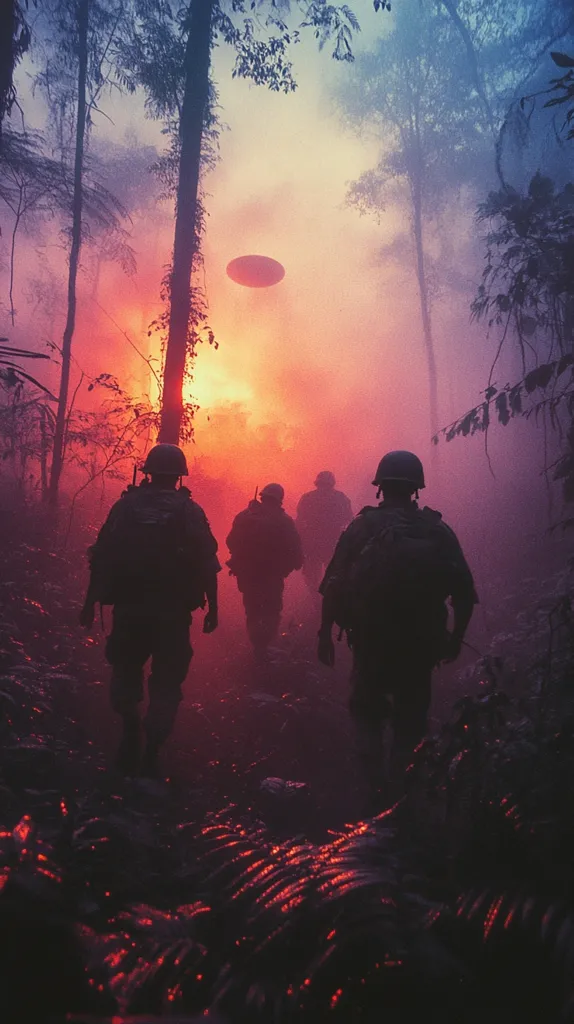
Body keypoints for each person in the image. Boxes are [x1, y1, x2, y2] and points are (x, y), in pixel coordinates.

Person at [317, 450, 477, 811]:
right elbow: (464, 592)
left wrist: (324, 632)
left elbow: (334, 584)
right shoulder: (436, 530)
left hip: (372, 638)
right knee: (411, 716)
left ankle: (375, 790)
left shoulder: (361, 527)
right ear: (416, 488)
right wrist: (454, 638)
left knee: (366, 710)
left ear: (380, 487)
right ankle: (400, 793)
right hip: (421, 642)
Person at [80, 443, 220, 778]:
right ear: (179, 475)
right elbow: (206, 564)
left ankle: (130, 726)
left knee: (126, 668)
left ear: (148, 471)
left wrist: (89, 603)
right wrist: (214, 607)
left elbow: (102, 556)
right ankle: (153, 747)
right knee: (168, 680)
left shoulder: (125, 506)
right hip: (172, 612)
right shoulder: (190, 510)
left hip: (130, 607)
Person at [227, 483, 303, 661]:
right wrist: (293, 564)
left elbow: (230, 541)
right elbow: (295, 547)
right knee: (271, 610)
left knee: (252, 610)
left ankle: (257, 646)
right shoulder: (283, 520)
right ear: (279, 500)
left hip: (248, 575)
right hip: (272, 575)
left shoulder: (244, 516)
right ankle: (264, 646)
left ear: (262, 497)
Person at [296, 471, 353, 593]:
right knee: (333, 578)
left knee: (312, 581)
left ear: (317, 483)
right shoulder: (340, 498)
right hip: (332, 544)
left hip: (312, 544)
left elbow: (299, 522)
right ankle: (329, 602)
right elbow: (349, 520)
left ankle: (316, 605)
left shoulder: (307, 498)